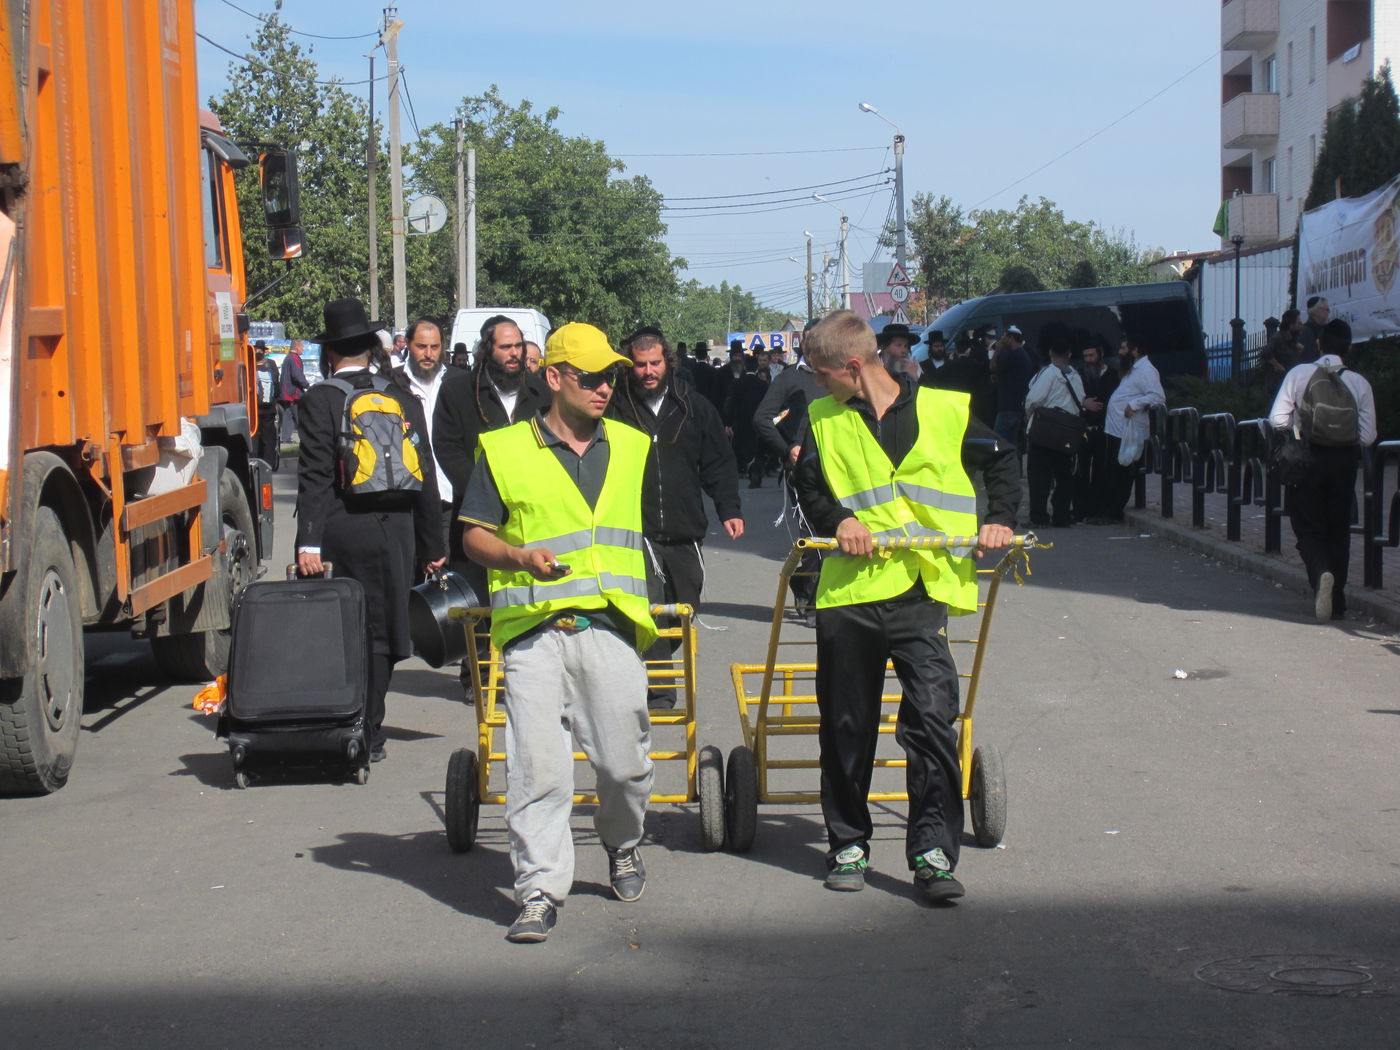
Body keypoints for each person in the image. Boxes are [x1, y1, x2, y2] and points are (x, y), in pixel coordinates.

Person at [792, 310, 1018, 902]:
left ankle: (934, 855)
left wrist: (999, 521)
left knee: (931, 722)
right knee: (847, 724)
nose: (818, 386)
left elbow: (1003, 461)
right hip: (851, 596)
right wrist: (838, 519)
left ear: (853, 366)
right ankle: (848, 844)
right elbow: (809, 486)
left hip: (922, 592)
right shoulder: (822, 420)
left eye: (822, 375)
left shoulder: (946, 410)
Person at [460, 322, 658, 945]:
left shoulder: (631, 445)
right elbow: (471, 535)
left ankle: (623, 843)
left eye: (611, 377)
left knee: (624, 767)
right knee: (539, 770)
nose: (605, 387)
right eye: (591, 377)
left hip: (610, 625)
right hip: (533, 632)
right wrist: (518, 558)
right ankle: (539, 889)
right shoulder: (504, 449)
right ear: (554, 378)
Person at [294, 298, 445, 764]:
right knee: (383, 631)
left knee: (345, 627)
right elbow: (424, 474)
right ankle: (372, 730)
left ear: (330, 353)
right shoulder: (401, 396)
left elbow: (316, 476)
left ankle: (347, 721)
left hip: (344, 528)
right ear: (370, 348)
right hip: (396, 530)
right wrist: (432, 545)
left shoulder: (320, 399)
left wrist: (309, 541)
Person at [608, 326, 744, 707]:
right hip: (637, 529)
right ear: (628, 366)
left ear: (667, 362)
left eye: (654, 363)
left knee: (683, 609)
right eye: (639, 365)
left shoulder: (693, 407)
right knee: (648, 606)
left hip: (685, 529)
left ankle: (652, 663)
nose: (648, 371)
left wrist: (729, 508)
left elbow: (718, 461)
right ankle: (659, 691)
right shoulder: (616, 409)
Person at [1269, 318, 1376, 621]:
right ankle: (1337, 602)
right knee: (1338, 530)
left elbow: (1277, 419)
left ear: (1318, 344)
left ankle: (1321, 574)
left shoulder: (1300, 374)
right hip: (1343, 463)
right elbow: (1368, 436)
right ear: (1349, 348)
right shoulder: (1360, 383)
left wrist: (1298, 426)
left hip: (1307, 459)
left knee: (1307, 527)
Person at [1087, 334, 1165, 525]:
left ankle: (1114, 511)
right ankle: (1107, 509)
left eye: (1123, 348)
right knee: (1112, 470)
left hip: (1129, 431)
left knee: (1122, 472)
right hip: (1116, 429)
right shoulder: (1132, 370)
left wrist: (1135, 403)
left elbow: (1157, 396)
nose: (1120, 352)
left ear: (1135, 350)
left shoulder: (1146, 370)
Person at [391, 319, 452, 541]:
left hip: (450, 497)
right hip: (407, 498)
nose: (428, 354)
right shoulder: (390, 383)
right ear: (408, 344)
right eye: (421, 346)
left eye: (434, 347)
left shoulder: (458, 382)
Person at [1022, 343, 1086, 528]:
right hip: (1067, 433)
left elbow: (1033, 398)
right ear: (1069, 352)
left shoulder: (1048, 373)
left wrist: (1028, 414)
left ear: (1050, 352)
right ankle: (1062, 515)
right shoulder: (1075, 375)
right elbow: (1080, 400)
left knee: (1039, 475)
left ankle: (1039, 516)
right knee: (1064, 475)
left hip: (1045, 432)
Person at [1072, 343, 1118, 521]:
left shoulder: (1111, 374)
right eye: (1085, 356)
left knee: (1101, 470)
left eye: (1091, 355)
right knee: (1080, 470)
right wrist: (1084, 403)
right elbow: (1076, 395)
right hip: (1083, 427)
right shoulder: (1080, 374)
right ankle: (1080, 509)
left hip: (1102, 428)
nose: (1088, 360)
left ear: (1100, 355)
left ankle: (1099, 509)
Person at [724, 352, 770, 489]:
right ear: (756, 367)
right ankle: (756, 472)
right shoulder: (762, 385)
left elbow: (731, 404)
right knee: (757, 448)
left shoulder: (737, 384)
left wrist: (728, 422)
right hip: (757, 421)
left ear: (745, 366)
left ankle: (741, 469)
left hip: (741, 420)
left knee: (740, 446)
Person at [990, 325, 1033, 451]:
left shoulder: (1013, 355)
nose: (1001, 339)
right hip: (1016, 406)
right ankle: (1014, 468)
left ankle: (1000, 466)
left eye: (1004, 336)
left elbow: (993, 366)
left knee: (998, 441)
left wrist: (998, 348)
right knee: (1013, 443)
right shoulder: (1021, 355)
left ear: (1011, 338)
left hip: (1008, 407)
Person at [1261, 308, 1303, 398]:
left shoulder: (1293, 340)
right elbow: (1266, 352)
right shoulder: (1277, 338)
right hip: (1278, 388)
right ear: (1291, 325)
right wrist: (1277, 365)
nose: (1301, 325)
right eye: (1298, 323)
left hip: (1291, 386)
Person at [253, 341, 280, 469]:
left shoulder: (250, 365)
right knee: (269, 438)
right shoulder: (271, 364)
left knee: (255, 437)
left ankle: (255, 463)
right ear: (264, 351)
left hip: (254, 409)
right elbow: (277, 385)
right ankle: (268, 465)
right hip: (269, 409)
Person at [279, 338, 310, 442]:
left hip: (286, 392)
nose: (303, 350)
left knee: (288, 415)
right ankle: (305, 438)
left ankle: (285, 438)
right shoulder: (294, 358)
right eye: (302, 347)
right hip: (293, 393)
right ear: (297, 348)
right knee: (299, 416)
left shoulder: (287, 358)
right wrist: (306, 385)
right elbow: (297, 375)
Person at [1297, 297, 1330, 364]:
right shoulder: (1305, 332)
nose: (1329, 312)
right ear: (1316, 311)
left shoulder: (1325, 330)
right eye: (1327, 309)